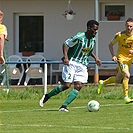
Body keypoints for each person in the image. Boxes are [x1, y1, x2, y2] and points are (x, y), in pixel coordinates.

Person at [40, 20, 102, 112]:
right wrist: (66, 57)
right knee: (67, 85)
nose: (96, 31)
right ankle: (47, 96)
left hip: (83, 65)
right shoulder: (79, 36)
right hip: (72, 62)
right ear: (89, 28)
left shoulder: (93, 39)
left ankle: (64, 106)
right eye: (94, 29)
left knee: (78, 85)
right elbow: (65, 44)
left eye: (97, 30)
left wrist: (96, 58)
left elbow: (87, 50)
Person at [98, 18, 133, 104]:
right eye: (127, 26)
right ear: (125, 26)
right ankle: (126, 97)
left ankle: (103, 83)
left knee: (118, 79)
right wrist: (113, 55)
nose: (129, 28)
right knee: (127, 75)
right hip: (121, 59)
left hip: (129, 60)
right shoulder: (120, 35)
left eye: (131, 26)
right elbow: (110, 44)